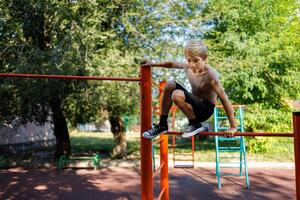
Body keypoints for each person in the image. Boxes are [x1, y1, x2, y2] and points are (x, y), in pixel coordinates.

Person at [142, 40, 237, 139]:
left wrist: (233, 127)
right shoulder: (187, 66)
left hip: (205, 110)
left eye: (196, 60)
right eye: (189, 60)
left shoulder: (210, 75)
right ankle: (162, 124)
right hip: (193, 105)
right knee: (170, 85)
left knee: (176, 94)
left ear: (205, 58)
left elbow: (224, 98)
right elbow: (171, 64)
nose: (192, 64)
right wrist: (153, 64)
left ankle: (195, 124)